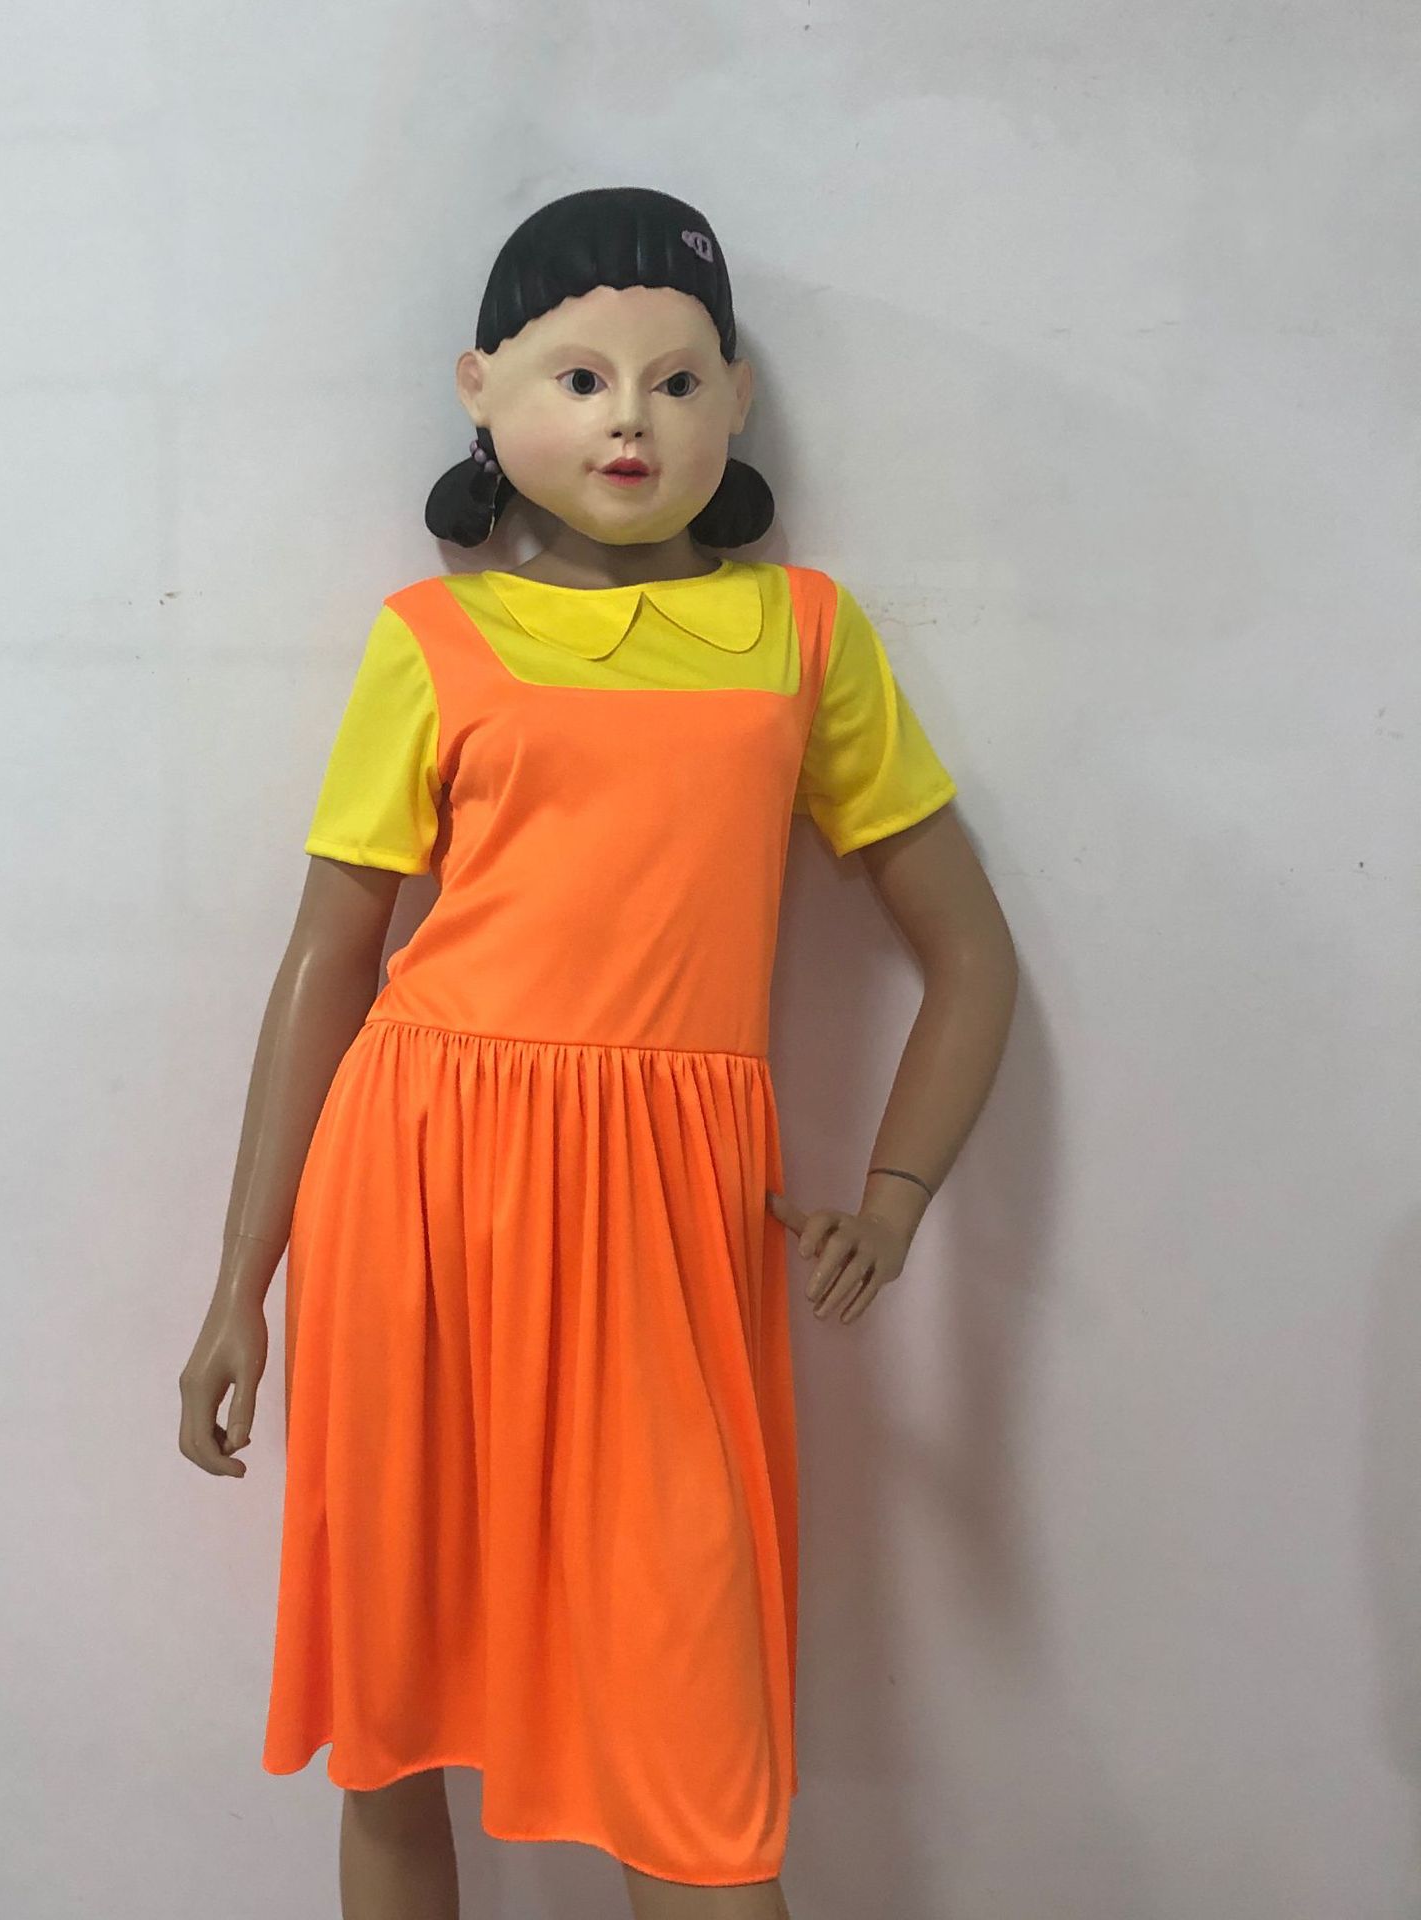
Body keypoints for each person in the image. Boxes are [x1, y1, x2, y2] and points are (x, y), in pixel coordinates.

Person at [178, 186, 1018, 1920]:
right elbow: (330, 960)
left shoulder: (805, 639)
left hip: (667, 1227)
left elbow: (970, 956)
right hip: (416, 1194)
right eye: (579, 377)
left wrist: (895, 1199)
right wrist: (237, 1286)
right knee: (394, 1721)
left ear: (737, 401)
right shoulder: (434, 642)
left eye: (676, 379)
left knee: (692, 1754)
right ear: (481, 391)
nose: (630, 418)